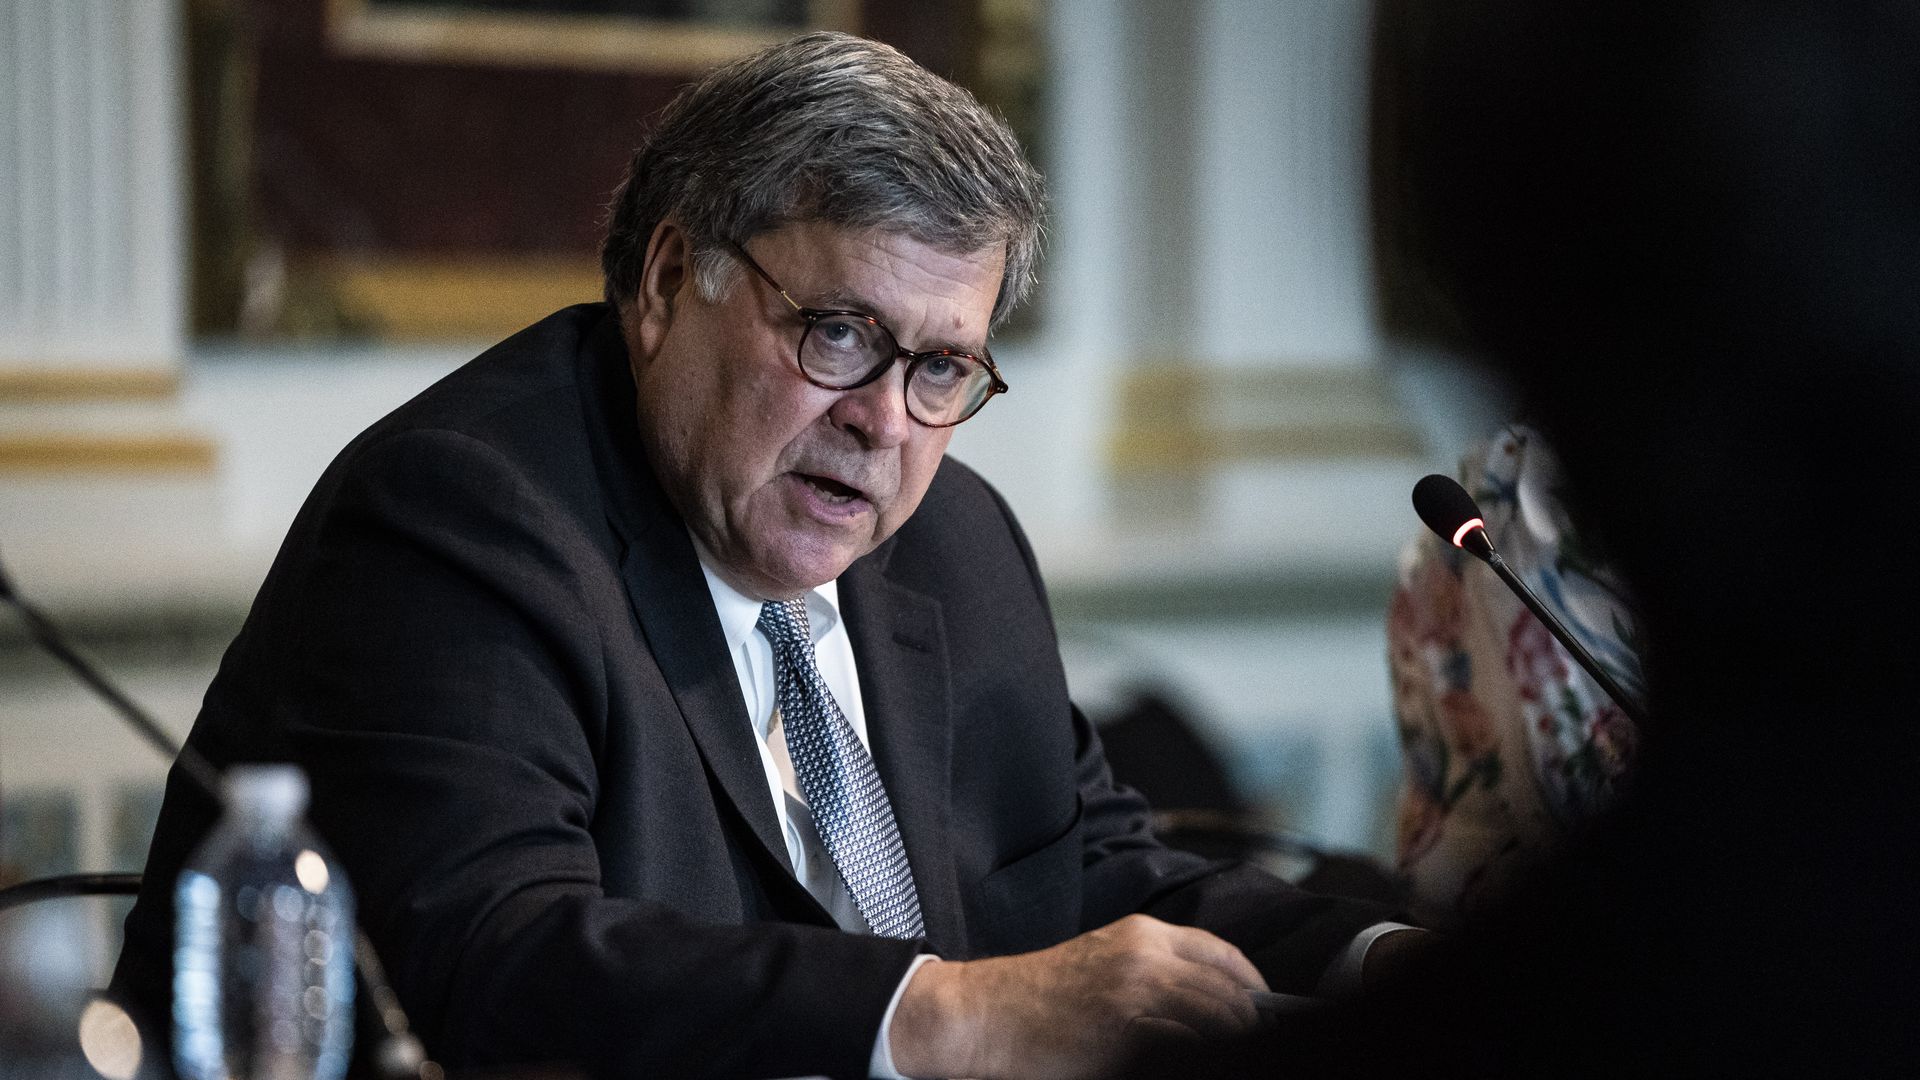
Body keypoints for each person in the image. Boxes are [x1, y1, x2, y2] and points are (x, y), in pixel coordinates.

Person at [113, 33, 1408, 1080]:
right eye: (838, 333)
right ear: (669, 282)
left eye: (941, 368)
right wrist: (949, 1015)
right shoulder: (465, 521)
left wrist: (1382, 964)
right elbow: (494, 966)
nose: (884, 423)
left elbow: (1092, 877)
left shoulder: (957, 545)